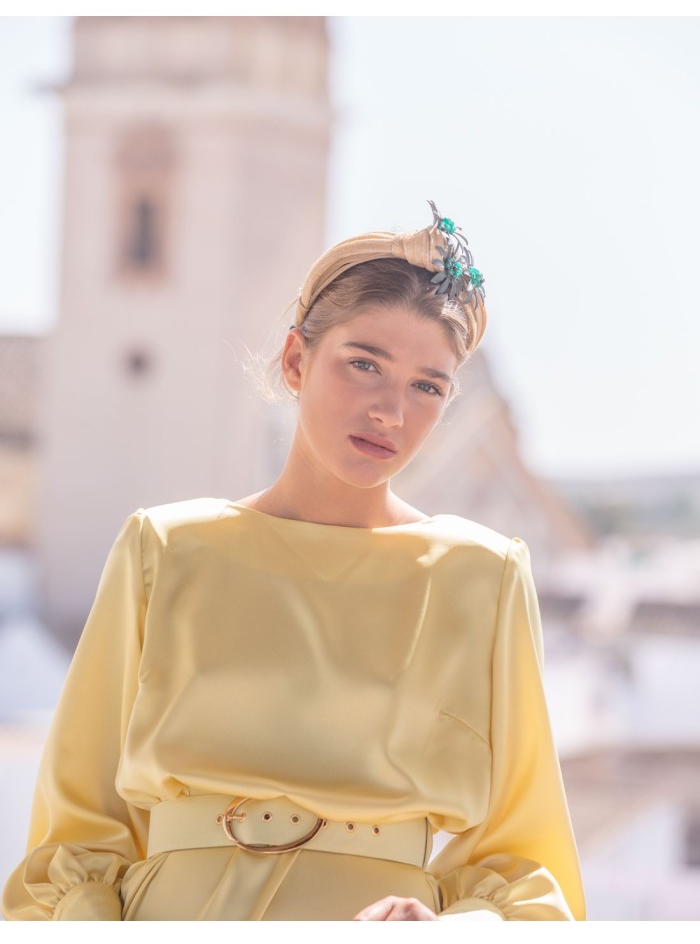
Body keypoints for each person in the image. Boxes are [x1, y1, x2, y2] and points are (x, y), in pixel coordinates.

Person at [2, 201, 585, 921]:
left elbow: (526, 863)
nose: (390, 412)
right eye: (364, 364)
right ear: (295, 360)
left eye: (427, 386)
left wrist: (449, 932)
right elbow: (77, 833)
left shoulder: (483, 575)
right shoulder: (164, 549)